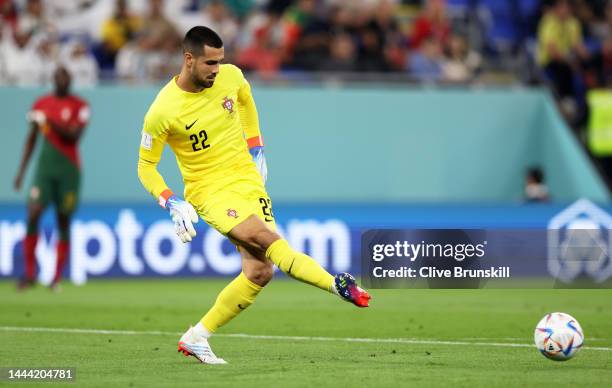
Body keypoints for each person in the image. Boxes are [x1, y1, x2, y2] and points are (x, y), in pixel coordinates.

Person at [137, 26, 370, 365]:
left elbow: (245, 102)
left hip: (248, 181)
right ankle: (337, 284)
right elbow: (146, 166)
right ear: (189, 60)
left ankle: (197, 337)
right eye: (210, 63)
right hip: (210, 191)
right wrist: (171, 200)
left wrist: (256, 147)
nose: (217, 70)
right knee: (266, 238)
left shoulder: (231, 77)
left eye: (220, 62)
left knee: (260, 271)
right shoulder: (162, 111)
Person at [14, 66, 89, 291]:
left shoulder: (80, 106)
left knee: (63, 220)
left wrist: (47, 120)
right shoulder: (41, 103)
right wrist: (21, 172)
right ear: (53, 80)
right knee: (33, 213)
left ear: (71, 80)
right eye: (58, 77)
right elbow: (31, 140)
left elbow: (73, 136)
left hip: (69, 171)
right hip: (44, 170)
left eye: (66, 77)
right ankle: (29, 274)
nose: (62, 81)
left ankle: (55, 278)